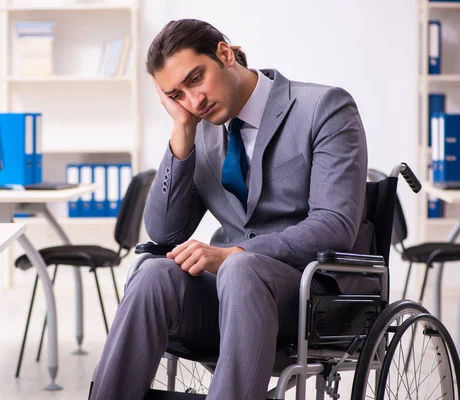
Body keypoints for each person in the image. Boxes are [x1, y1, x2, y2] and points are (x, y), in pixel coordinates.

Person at [89, 18, 375, 400]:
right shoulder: (199, 130)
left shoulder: (323, 107)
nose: (193, 101)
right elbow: (164, 232)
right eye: (176, 95)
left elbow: (334, 225)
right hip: (231, 297)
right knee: (153, 273)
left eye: (195, 79)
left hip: (310, 296)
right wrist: (181, 133)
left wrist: (234, 253)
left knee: (240, 268)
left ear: (224, 53)